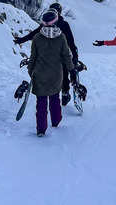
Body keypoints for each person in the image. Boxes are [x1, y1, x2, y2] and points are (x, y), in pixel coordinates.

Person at [15, 2, 79, 106]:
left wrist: (21, 40)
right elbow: (71, 42)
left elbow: (33, 34)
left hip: (47, 55)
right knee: (64, 73)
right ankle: (65, 93)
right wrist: (75, 56)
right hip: (61, 55)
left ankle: (47, 91)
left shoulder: (46, 23)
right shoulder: (64, 24)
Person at [28, 9, 75, 137]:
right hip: (56, 74)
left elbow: (33, 57)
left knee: (41, 102)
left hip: (40, 73)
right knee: (55, 98)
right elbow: (66, 56)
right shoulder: (61, 37)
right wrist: (72, 70)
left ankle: (41, 129)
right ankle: (56, 120)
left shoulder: (37, 37)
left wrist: (30, 71)